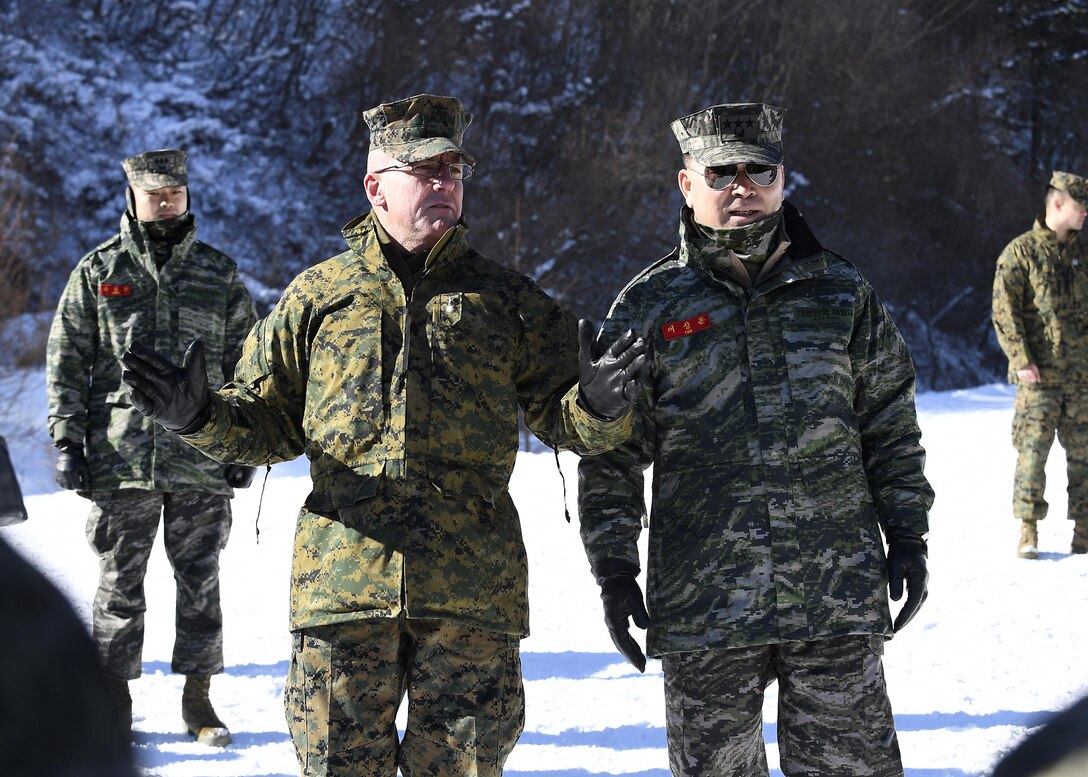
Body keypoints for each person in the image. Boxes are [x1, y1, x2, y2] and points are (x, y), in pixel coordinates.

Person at [118, 94, 647, 777]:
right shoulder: (317, 298)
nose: (443, 183)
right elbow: (268, 425)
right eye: (424, 171)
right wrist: (198, 417)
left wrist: (599, 406)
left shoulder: (507, 300)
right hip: (342, 591)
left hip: (470, 595)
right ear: (376, 188)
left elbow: (562, 417)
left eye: (453, 170)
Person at [577, 102, 934, 777]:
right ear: (687, 184)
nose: (742, 187)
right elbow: (612, 455)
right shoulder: (650, 306)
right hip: (706, 604)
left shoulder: (840, 292)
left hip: (834, 593)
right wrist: (614, 571)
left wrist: (908, 533)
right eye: (721, 173)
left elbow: (889, 422)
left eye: (758, 171)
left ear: (781, 178)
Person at [46, 148, 258, 746]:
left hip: (201, 455)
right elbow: (68, 357)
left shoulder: (217, 273)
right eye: (154, 195)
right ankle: (113, 703)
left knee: (200, 580)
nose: (166, 203)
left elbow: (248, 360)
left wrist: (242, 439)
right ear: (133, 198)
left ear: (187, 197)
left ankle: (199, 701)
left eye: (175, 194)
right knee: (119, 584)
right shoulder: (100, 270)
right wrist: (67, 439)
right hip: (121, 456)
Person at [992, 171, 1088, 559]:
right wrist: (1021, 359)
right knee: (1032, 452)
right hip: (1039, 378)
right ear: (1058, 202)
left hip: (1082, 377)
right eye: (1081, 205)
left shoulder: (1083, 256)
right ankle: (1028, 529)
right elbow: (1005, 311)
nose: (1086, 213)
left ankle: (1084, 531)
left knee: (1084, 455)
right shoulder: (1021, 253)